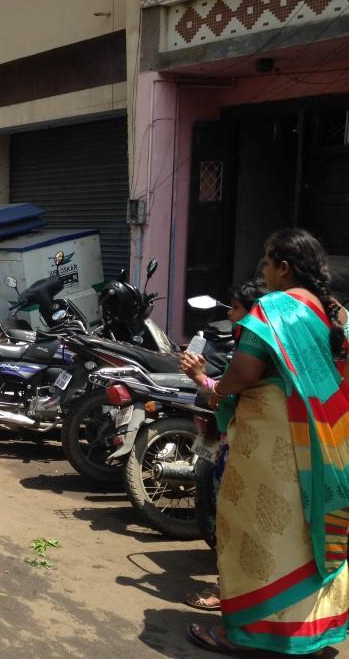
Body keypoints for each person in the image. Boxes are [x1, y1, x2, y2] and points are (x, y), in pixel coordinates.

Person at [187, 229, 349, 655]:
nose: (262, 269)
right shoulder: (332, 312)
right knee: (302, 531)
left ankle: (245, 635)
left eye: (265, 260)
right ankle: (307, 633)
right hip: (325, 439)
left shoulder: (274, 309)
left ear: (284, 267)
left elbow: (244, 373)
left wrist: (214, 389)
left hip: (274, 440)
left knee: (258, 530)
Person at [179, 278, 265, 612]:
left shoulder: (256, 352)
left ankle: (228, 591)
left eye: (237, 308)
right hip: (249, 449)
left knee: (235, 525)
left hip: (244, 451)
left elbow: (227, 397)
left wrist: (200, 378)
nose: (231, 316)